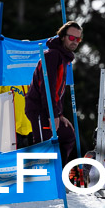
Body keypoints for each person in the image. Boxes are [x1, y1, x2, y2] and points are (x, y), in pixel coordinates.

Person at [24, 20, 81, 163]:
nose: (75, 41)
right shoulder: (52, 55)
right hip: (40, 109)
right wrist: (53, 115)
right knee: (43, 146)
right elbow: (47, 86)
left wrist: (59, 114)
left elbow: (58, 91)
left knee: (68, 135)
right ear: (62, 37)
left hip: (50, 110)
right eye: (71, 37)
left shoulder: (64, 58)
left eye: (78, 39)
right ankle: (41, 179)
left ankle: (57, 174)